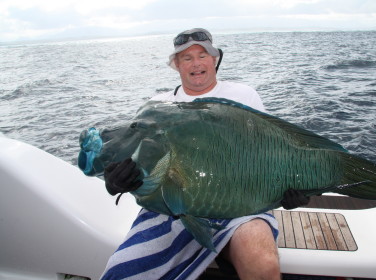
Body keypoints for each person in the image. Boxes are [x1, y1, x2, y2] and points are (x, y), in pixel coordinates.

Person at [101, 28, 310, 280]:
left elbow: (269, 154)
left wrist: (292, 186)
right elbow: (139, 164)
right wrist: (117, 182)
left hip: (241, 204)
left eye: (202, 55)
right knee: (119, 271)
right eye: (187, 58)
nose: (196, 63)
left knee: (262, 263)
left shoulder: (244, 96)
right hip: (169, 208)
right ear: (176, 65)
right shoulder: (156, 106)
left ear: (215, 59)